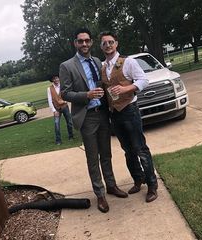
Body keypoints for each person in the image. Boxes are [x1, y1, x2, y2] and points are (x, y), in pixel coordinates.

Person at [59, 28, 128, 213]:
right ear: (75, 43)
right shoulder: (67, 66)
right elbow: (64, 93)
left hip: (103, 113)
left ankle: (111, 185)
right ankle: (100, 194)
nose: (84, 44)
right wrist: (86, 95)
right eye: (80, 41)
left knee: (106, 154)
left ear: (90, 43)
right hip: (87, 116)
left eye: (87, 41)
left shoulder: (98, 61)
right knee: (93, 158)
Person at [99, 31, 158, 203]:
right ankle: (138, 179)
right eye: (104, 43)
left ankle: (152, 185)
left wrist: (126, 89)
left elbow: (143, 80)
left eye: (111, 42)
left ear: (116, 43)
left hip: (130, 110)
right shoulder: (103, 67)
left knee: (140, 148)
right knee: (128, 151)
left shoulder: (128, 62)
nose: (108, 45)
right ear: (101, 47)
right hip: (114, 114)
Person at [47, 75, 74, 145]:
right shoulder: (49, 89)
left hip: (65, 107)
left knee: (69, 122)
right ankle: (58, 140)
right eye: (54, 79)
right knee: (56, 124)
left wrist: (65, 101)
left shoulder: (63, 86)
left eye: (57, 78)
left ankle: (71, 136)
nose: (56, 80)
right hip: (56, 108)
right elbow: (50, 100)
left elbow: (67, 95)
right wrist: (54, 110)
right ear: (52, 80)